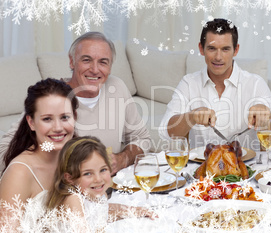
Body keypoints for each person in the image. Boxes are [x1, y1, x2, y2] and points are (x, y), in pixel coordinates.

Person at [0, 32, 151, 175]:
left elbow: (142, 138)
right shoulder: (52, 95)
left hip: (109, 187)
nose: (94, 69)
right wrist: (62, 166)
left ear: (110, 67)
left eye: (103, 62)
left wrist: (122, 159)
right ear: (72, 61)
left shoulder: (117, 87)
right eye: (86, 60)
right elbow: (5, 150)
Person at [159, 18, 271, 150]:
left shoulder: (255, 84)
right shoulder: (188, 83)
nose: (218, 57)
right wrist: (191, 117)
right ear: (201, 49)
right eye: (212, 48)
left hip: (247, 168)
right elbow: (166, 133)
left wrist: (267, 117)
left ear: (236, 50)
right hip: (200, 168)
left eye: (225, 49)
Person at [0, 78, 78, 230]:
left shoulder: (69, 155)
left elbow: (86, 209)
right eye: (47, 119)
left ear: (74, 117)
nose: (58, 127)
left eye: (64, 117)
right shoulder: (20, 172)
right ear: (31, 122)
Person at [46, 136, 155, 232]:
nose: (98, 179)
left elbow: (103, 211)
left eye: (103, 170)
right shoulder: (73, 199)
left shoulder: (95, 193)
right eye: (88, 173)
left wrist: (133, 210)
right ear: (70, 178)